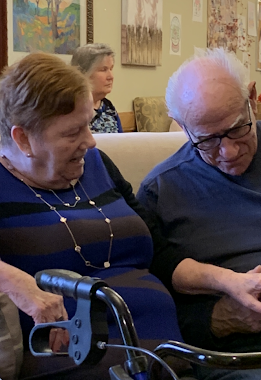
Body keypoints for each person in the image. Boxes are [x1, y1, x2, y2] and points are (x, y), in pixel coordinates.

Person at [136, 47, 261, 380]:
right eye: (207, 140)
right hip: (247, 351)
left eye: (238, 129)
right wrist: (219, 319)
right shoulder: (161, 192)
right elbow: (157, 307)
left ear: (251, 98)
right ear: (182, 126)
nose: (229, 151)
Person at [0, 53, 182, 380]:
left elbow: (160, 249)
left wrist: (226, 282)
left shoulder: (97, 163)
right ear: (22, 138)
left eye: (89, 123)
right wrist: (16, 282)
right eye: (73, 132)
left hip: (168, 354)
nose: (91, 141)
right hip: (79, 359)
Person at [71, 43, 123, 133]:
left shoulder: (108, 107)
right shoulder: (73, 108)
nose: (111, 76)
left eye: (111, 69)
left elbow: (123, 142)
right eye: (103, 70)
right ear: (83, 73)